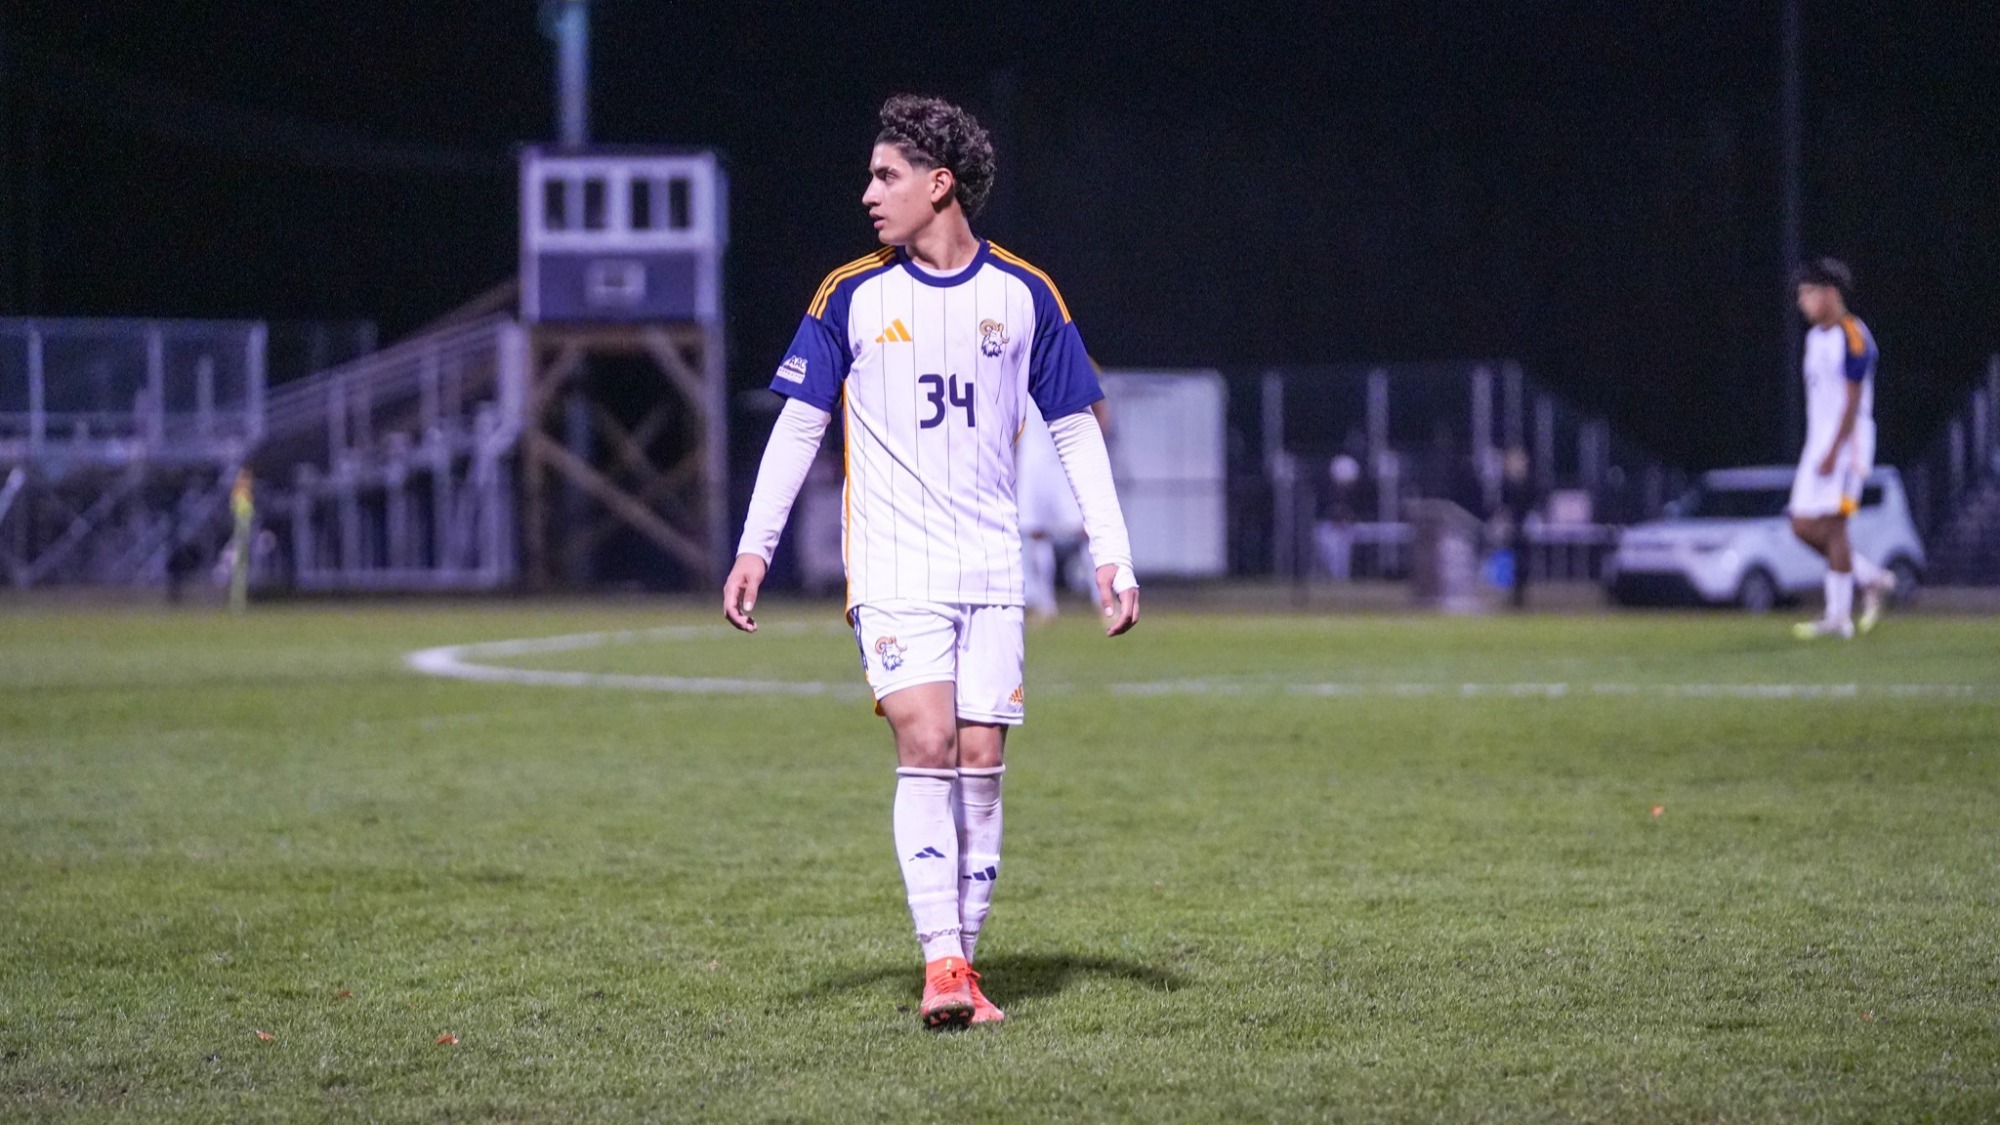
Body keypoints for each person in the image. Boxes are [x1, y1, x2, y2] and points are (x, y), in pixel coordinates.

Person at [722, 94, 1141, 1030]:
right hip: (894, 568)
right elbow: (799, 427)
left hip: (992, 571)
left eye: (887, 175)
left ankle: (966, 961)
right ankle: (942, 963)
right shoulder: (850, 295)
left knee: (982, 760)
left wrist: (1112, 558)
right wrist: (755, 544)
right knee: (928, 741)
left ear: (938, 184)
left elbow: (1075, 430)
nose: (869, 193)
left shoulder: (1026, 296)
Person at [1788, 257, 1894, 639]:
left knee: (1834, 525)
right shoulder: (1815, 338)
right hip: (1818, 446)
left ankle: (1839, 617)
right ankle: (1870, 578)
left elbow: (1853, 401)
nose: (1802, 301)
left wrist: (1835, 450)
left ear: (1829, 294)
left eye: (1808, 293)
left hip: (1847, 449)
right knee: (1801, 524)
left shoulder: (1854, 335)